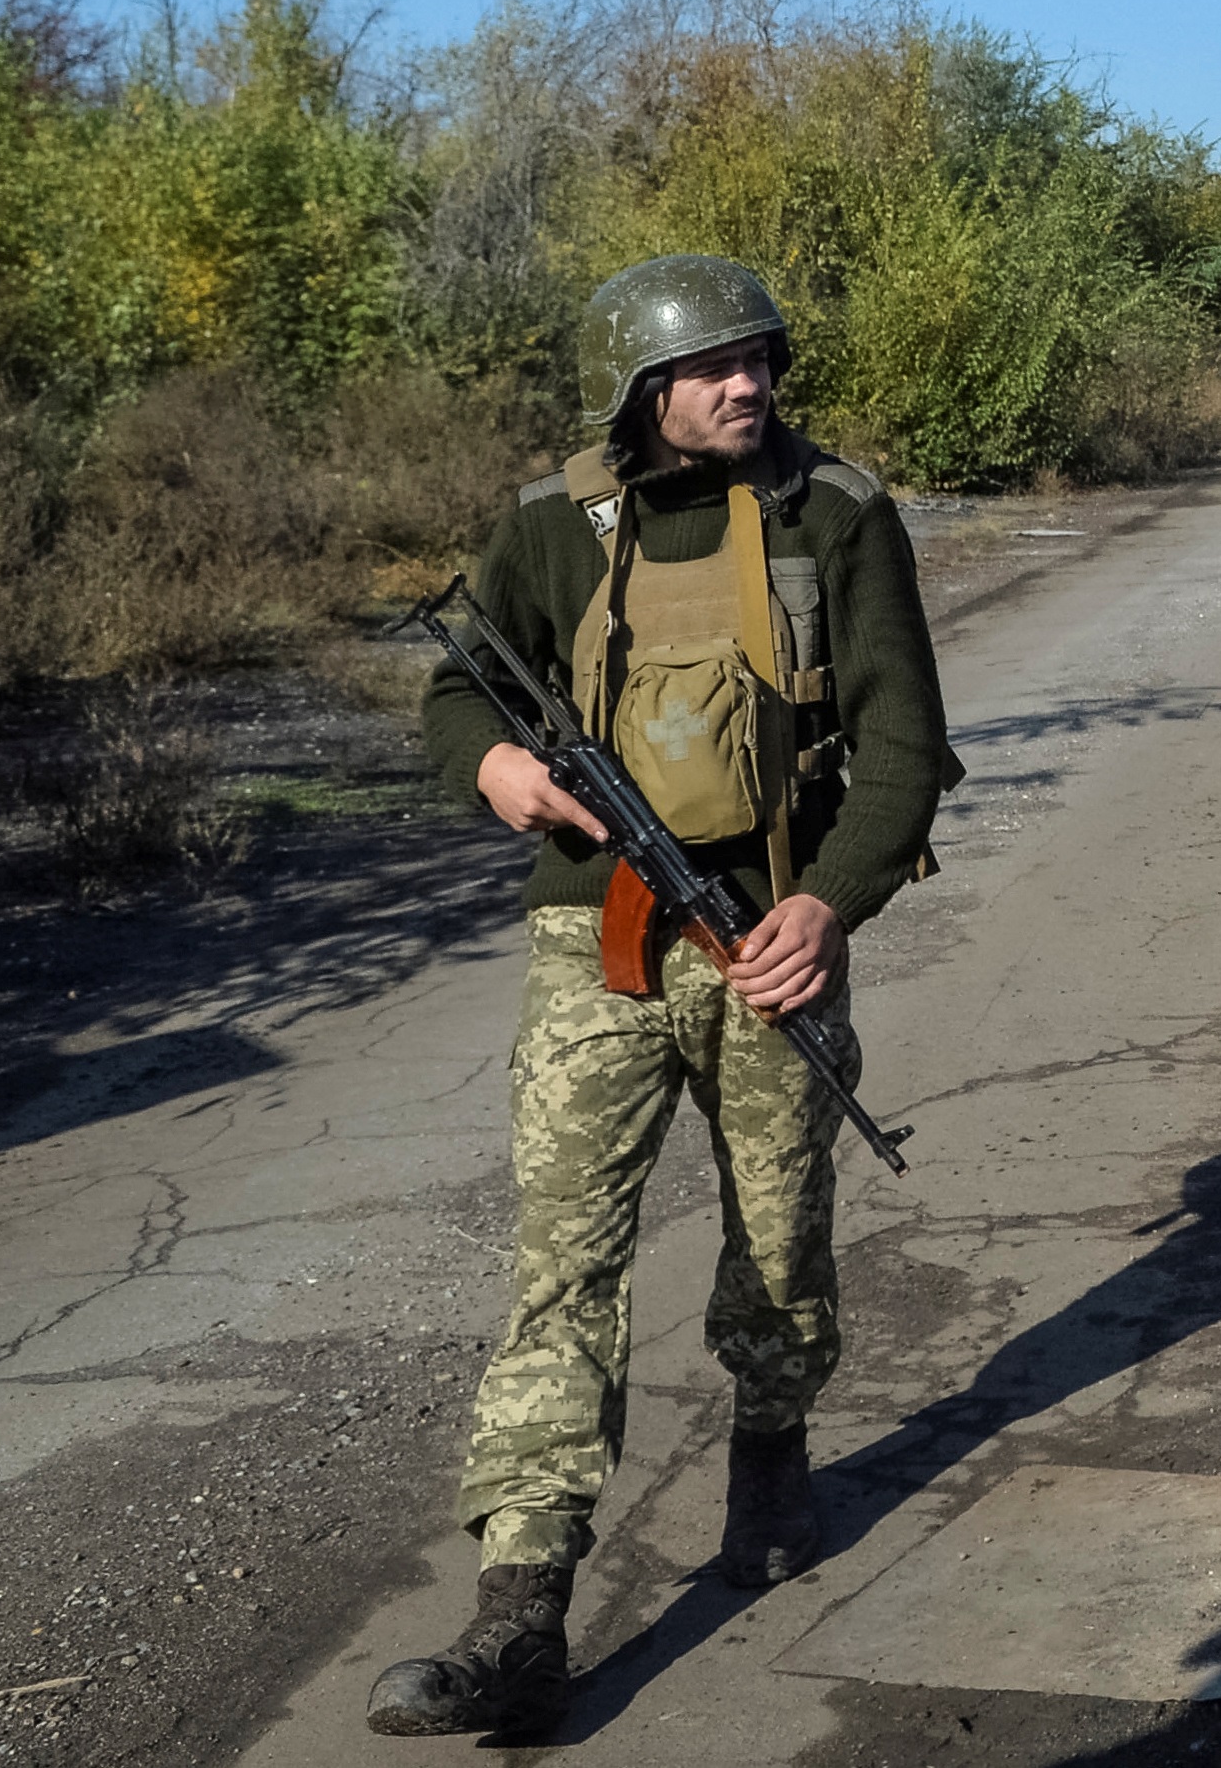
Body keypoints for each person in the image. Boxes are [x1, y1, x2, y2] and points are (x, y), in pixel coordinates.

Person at [367, 255, 955, 1740]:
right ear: (641, 386)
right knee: (563, 1262)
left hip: (770, 926)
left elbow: (904, 750)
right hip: (593, 944)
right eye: (711, 365)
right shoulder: (554, 523)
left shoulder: (840, 514)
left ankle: (771, 1449)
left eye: (759, 357)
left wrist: (824, 908)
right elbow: (461, 696)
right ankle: (520, 1604)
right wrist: (496, 770)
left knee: (780, 1228)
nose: (747, 382)